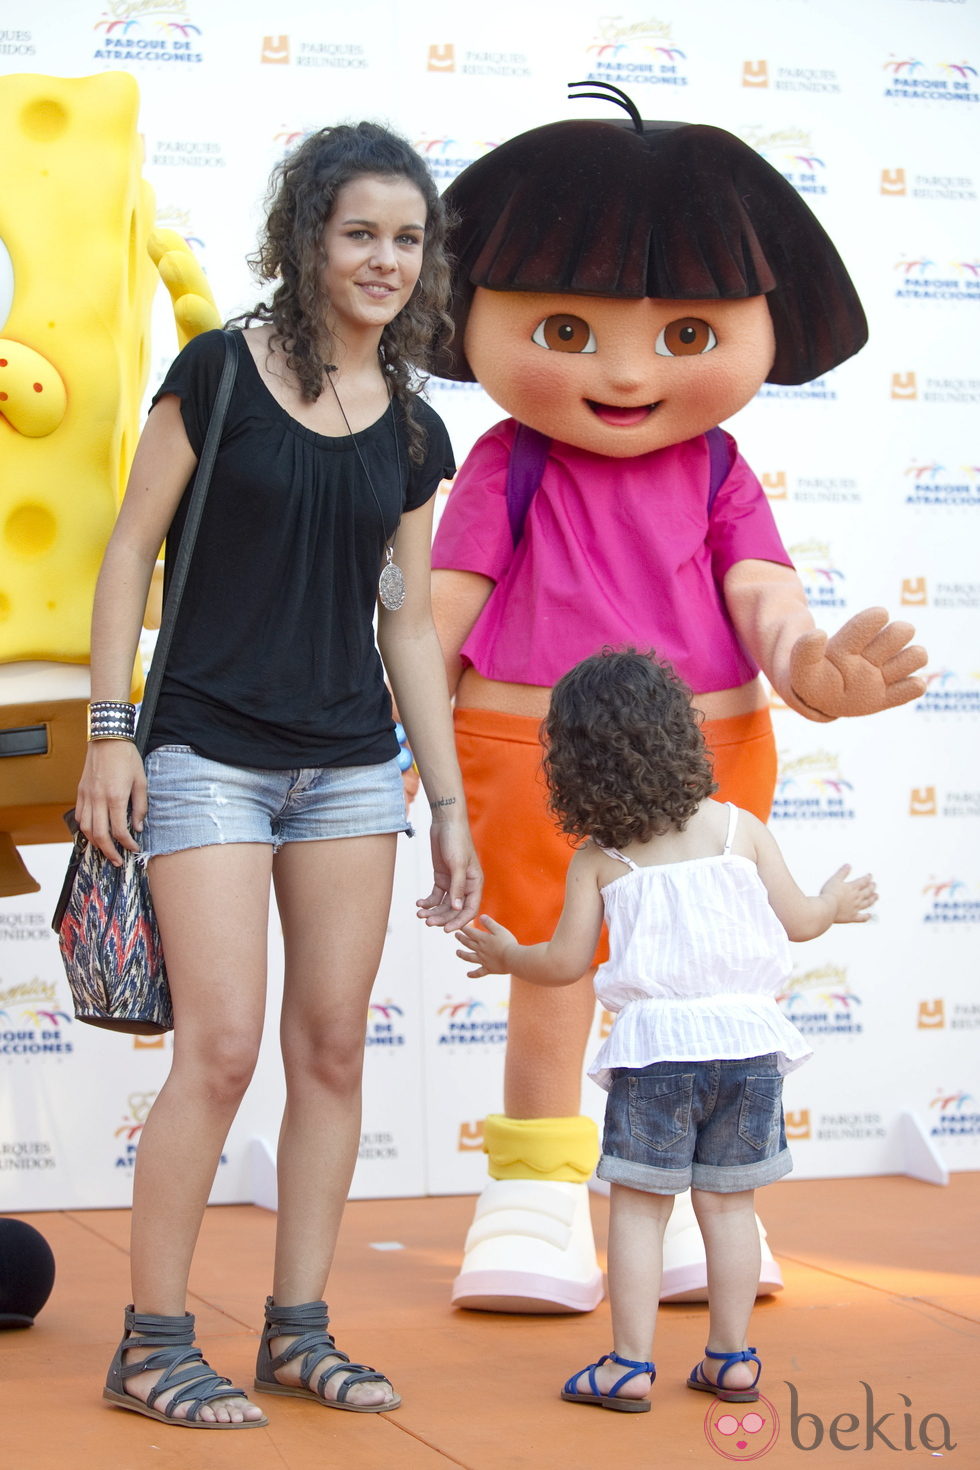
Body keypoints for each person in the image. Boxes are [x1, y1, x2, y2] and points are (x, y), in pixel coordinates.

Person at [430, 98, 923, 1314]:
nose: (629, 370)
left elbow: (762, 594)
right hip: (528, 748)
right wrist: (391, 726)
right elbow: (437, 607)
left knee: (699, 967)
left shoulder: (716, 466)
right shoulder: (507, 460)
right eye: (564, 328)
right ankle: (537, 1197)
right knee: (557, 968)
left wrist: (810, 671)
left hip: (712, 748)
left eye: (688, 330)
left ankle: (705, 1191)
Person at [74, 121, 481, 1429]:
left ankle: (298, 1327)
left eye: (407, 238)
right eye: (358, 231)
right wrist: (106, 726)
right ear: (305, 238)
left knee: (330, 1050)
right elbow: (130, 547)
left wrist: (452, 799)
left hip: (352, 771)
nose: (384, 258)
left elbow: (407, 622)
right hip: (203, 752)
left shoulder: (415, 430)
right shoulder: (218, 376)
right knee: (223, 1046)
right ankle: (151, 1342)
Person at [454, 647, 876, 1412]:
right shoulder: (739, 831)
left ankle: (629, 1364)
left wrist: (506, 955)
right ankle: (733, 1358)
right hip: (747, 1053)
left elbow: (564, 965)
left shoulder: (600, 859)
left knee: (641, 1212)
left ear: (576, 766)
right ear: (684, 735)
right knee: (729, 1207)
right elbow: (803, 923)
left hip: (657, 1059)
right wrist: (834, 901)